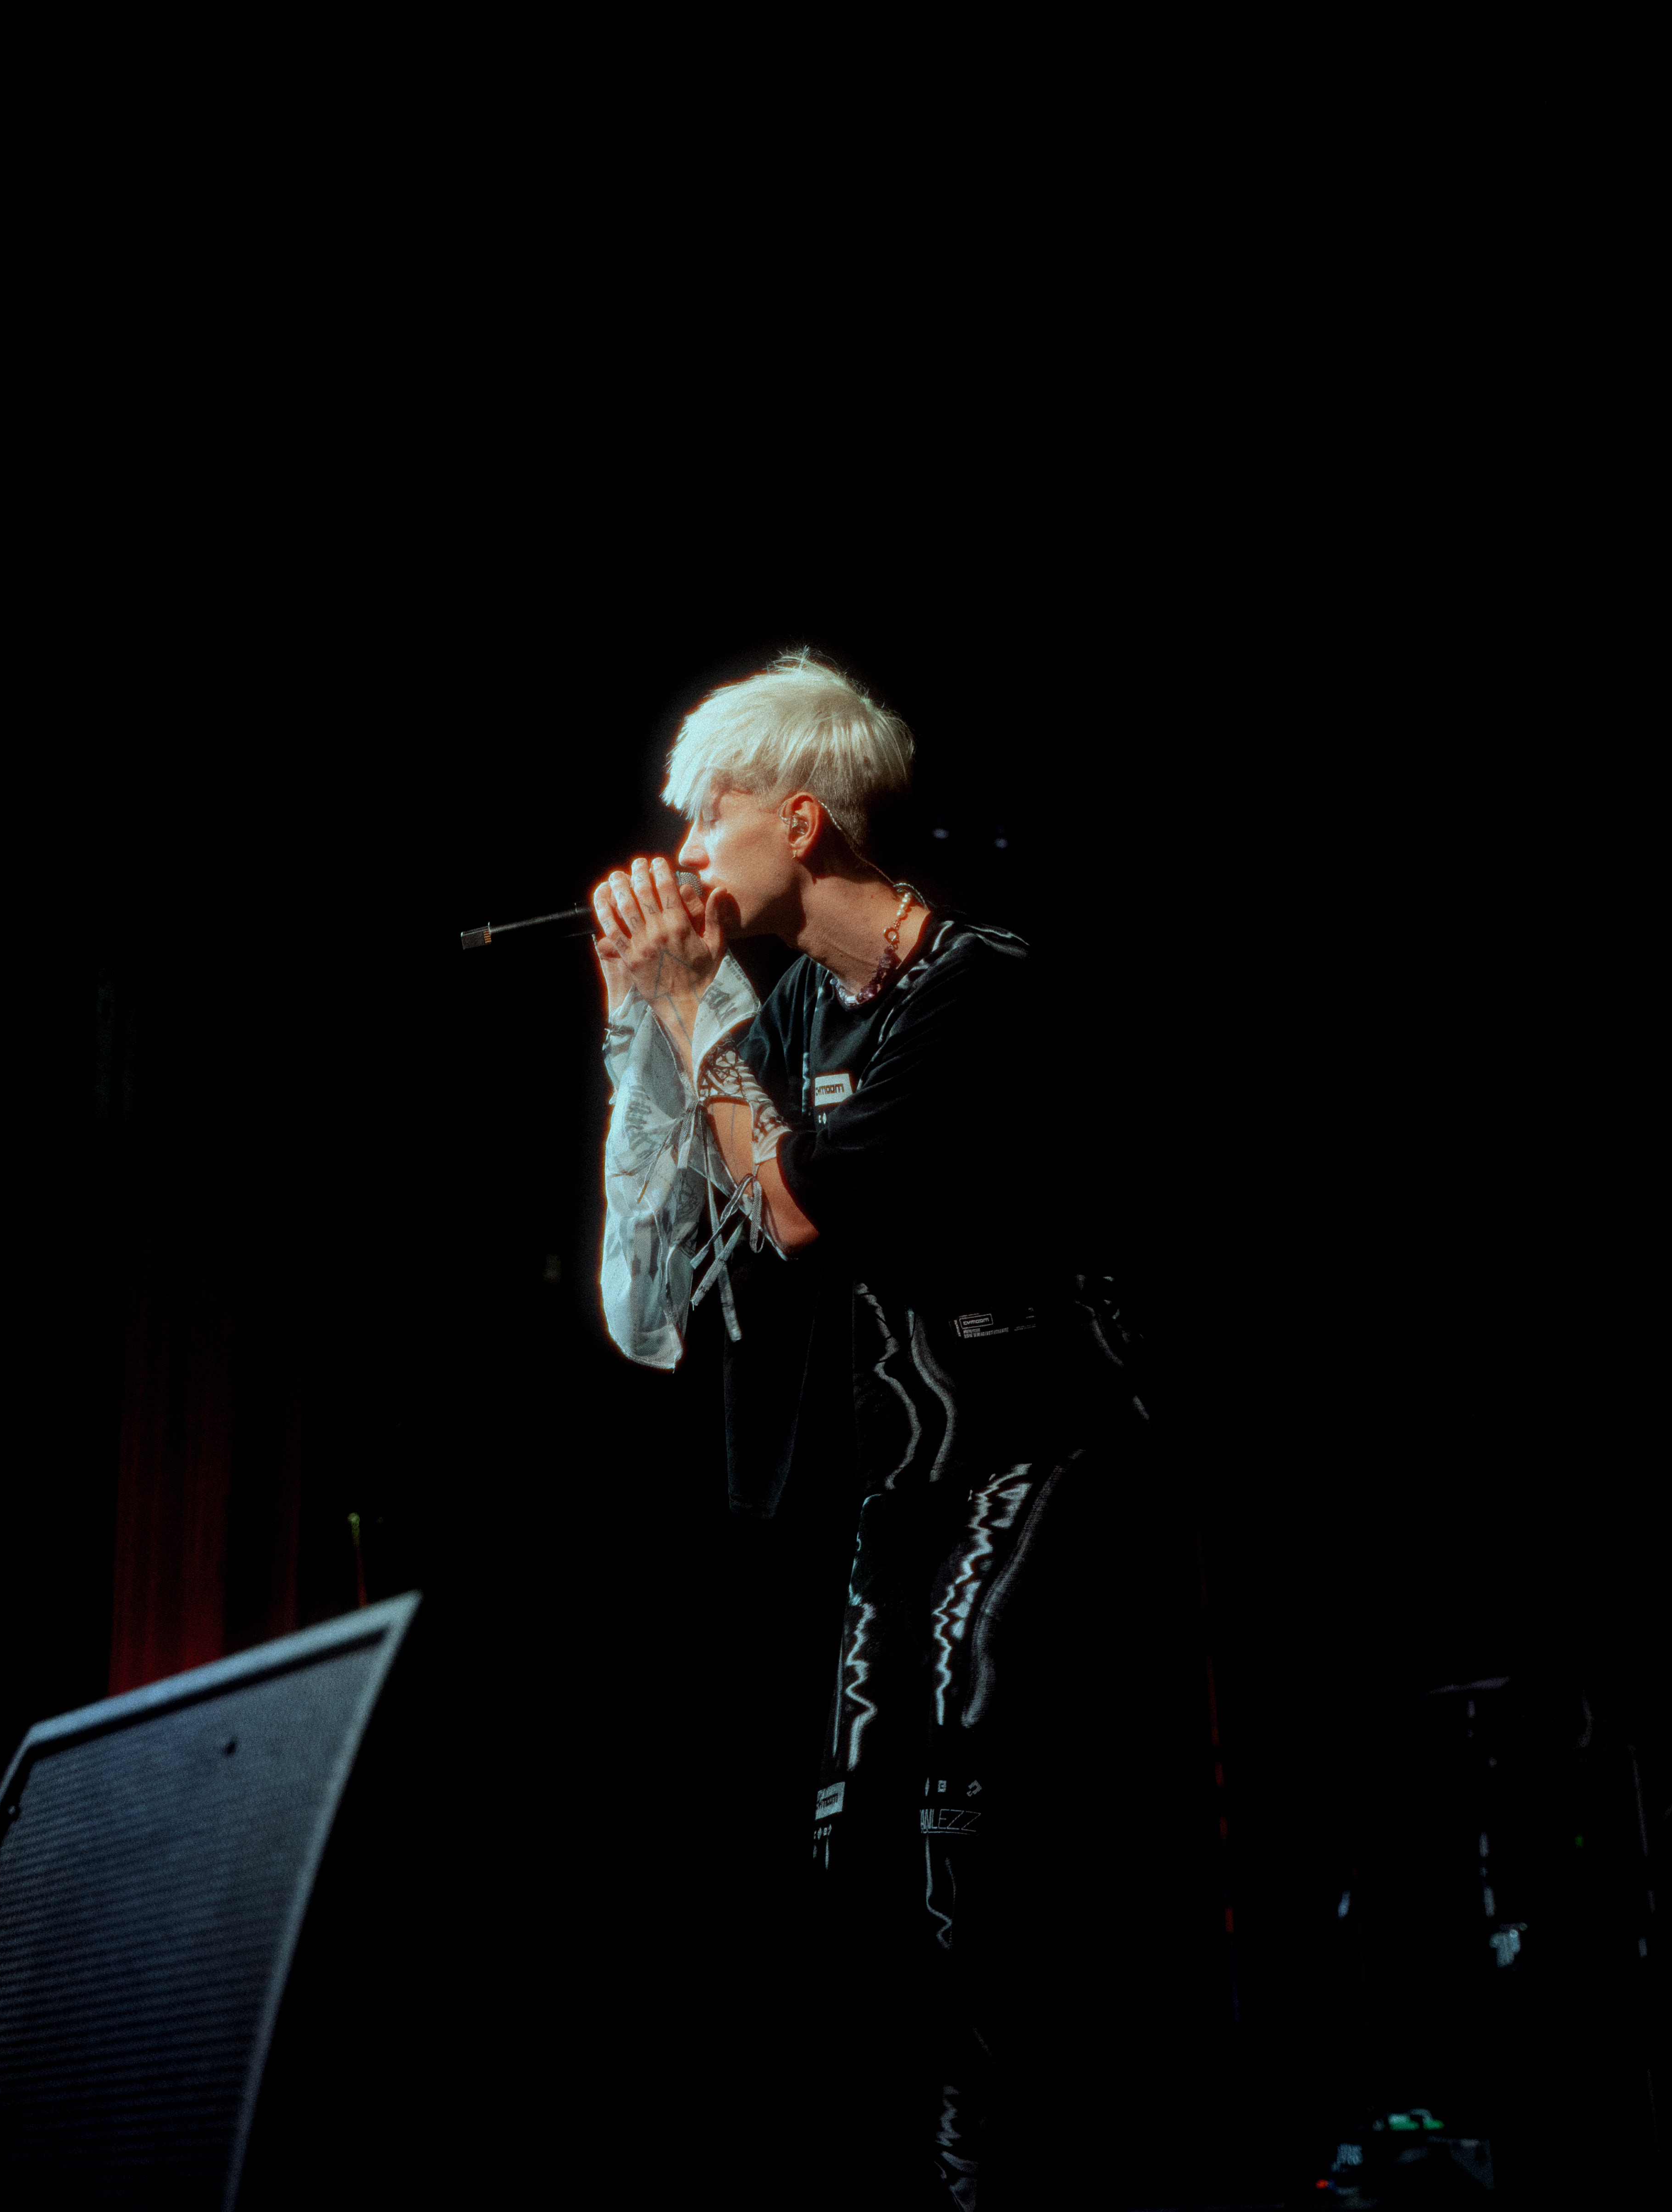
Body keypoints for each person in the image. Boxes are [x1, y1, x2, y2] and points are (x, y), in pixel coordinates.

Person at [590, 649, 1156, 2211]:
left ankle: (1014, 2172)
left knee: (975, 1813)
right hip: (911, 1481)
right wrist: (656, 1019)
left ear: (803, 820)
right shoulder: (805, 1011)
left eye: (708, 815)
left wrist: (694, 1007)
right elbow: (683, 1251)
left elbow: (792, 1207)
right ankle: (914, 2171)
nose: (683, 852)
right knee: (855, 1831)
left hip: (1043, 1455)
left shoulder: (981, 985)